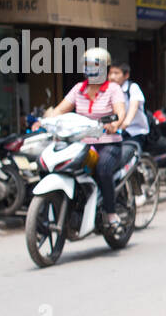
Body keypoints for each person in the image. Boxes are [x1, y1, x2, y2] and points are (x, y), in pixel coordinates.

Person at [44, 46, 127, 230]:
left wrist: (114, 124)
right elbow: (59, 110)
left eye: (95, 65)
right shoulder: (78, 89)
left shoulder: (112, 89)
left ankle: (111, 213)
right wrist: (45, 121)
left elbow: (120, 112)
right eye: (88, 65)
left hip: (108, 144)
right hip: (80, 144)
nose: (91, 69)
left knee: (103, 169)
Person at [109, 63, 149, 146]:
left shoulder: (133, 88)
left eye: (116, 73)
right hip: (114, 132)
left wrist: (123, 125)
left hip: (135, 132)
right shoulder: (108, 90)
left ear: (126, 75)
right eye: (110, 73)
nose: (112, 77)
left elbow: (133, 109)